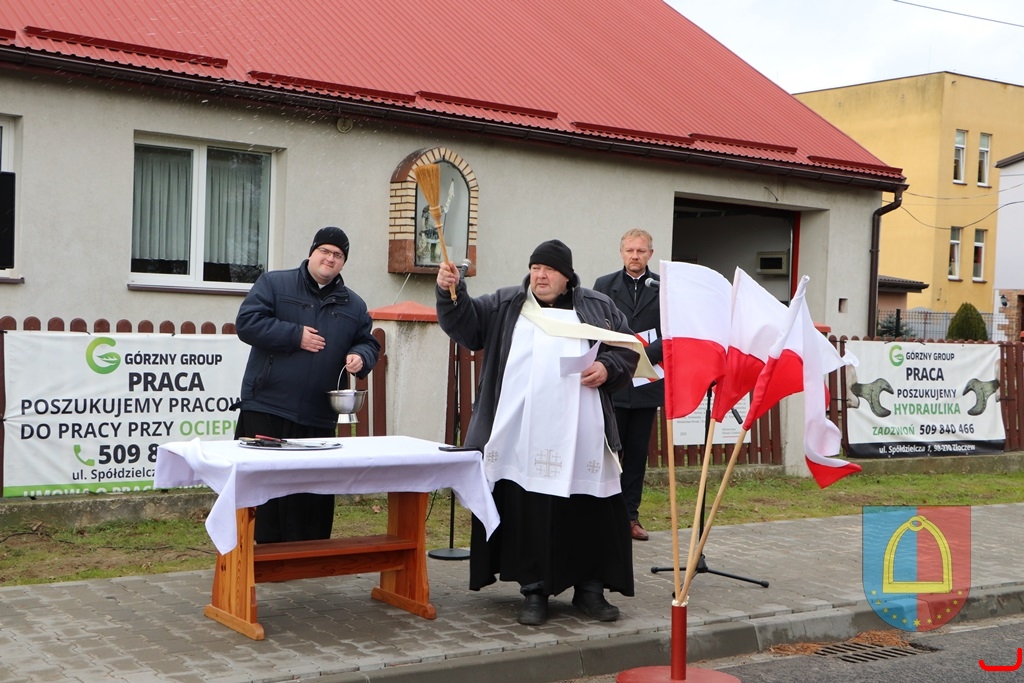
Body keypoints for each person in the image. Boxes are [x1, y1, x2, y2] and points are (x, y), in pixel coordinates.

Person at [435, 239, 639, 626]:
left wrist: (608, 367)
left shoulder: (598, 306)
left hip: (583, 432)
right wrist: (450, 293)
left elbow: (629, 349)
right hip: (521, 432)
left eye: (549, 270)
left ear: (567, 277)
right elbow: (467, 326)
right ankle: (535, 589)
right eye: (535, 268)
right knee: (528, 509)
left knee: (588, 509)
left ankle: (590, 590)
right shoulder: (506, 303)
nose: (540, 276)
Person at [234, 226, 381, 544]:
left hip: (318, 416)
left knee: (310, 499)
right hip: (267, 407)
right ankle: (259, 559)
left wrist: (361, 356)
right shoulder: (274, 283)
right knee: (265, 495)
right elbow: (247, 323)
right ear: (312, 252)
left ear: (343, 262)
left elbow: (368, 342)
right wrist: (295, 335)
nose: (330, 258)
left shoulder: (353, 305)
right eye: (324, 251)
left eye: (338, 255)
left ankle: (309, 560)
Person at [593, 229, 663, 542]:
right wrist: (621, 356)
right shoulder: (604, 285)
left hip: (648, 381)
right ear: (621, 252)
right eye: (630, 250)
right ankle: (601, 515)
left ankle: (629, 517)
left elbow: (672, 330)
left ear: (650, 254)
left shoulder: (664, 287)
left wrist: (646, 355)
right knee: (609, 452)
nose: (635, 256)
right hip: (615, 380)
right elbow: (595, 326)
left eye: (641, 251)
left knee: (636, 455)